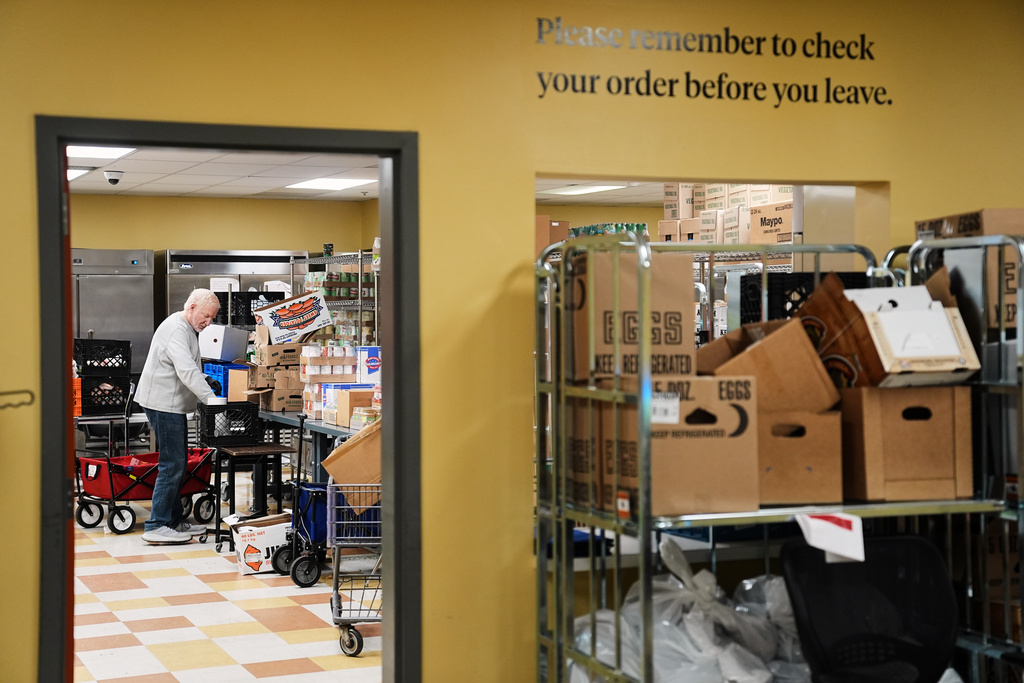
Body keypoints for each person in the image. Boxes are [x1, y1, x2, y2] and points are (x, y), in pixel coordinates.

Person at [135, 288, 221, 544]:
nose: (208, 322)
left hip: (170, 404)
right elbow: (185, 370)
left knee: (177, 462)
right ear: (192, 307)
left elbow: (189, 367)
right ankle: (156, 525)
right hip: (163, 404)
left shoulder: (187, 328)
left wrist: (205, 379)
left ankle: (173, 521)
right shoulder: (176, 329)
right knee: (172, 464)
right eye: (206, 316)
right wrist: (211, 399)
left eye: (212, 318)